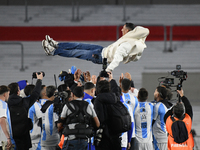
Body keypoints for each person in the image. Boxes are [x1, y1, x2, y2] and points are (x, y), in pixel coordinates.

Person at [42, 23, 149, 71]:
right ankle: (56, 44)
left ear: (128, 31)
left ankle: (53, 51)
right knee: (78, 45)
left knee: (75, 52)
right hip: (101, 50)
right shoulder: (128, 38)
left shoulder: (128, 44)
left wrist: (108, 70)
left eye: (123, 28)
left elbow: (117, 59)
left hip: (100, 57)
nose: (121, 30)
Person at [8, 72, 43, 150]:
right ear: (18, 92)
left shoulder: (5, 104)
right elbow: (35, 93)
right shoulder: (24, 102)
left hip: (10, 137)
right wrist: (39, 80)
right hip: (24, 138)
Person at [94, 72, 122, 150]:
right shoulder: (115, 98)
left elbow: (100, 119)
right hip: (116, 136)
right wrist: (111, 79)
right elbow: (116, 90)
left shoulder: (98, 100)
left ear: (98, 90)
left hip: (104, 137)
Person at [120, 78, 138, 150]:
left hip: (121, 131)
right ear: (130, 88)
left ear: (121, 86)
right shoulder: (135, 99)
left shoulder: (119, 98)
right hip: (131, 131)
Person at [152, 86, 173, 150]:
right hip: (166, 136)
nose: (154, 93)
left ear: (158, 94)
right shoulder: (171, 106)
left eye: (155, 91)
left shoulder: (158, 106)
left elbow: (152, 121)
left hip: (159, 138)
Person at [40, 85, 60, 150]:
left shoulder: (42, 106)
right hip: (53, 139)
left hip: (43, 138)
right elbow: (58, 124)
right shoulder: (53, 107)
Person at [25, 85, 43, 150]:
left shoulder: (23, 102)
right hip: (36, 137)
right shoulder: (35, 104)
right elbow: (41, 118)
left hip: (27, 135)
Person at [0, 85, 15, 150]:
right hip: (1, 140)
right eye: (8, 94)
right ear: (5, 94)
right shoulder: (3, 104)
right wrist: (8, 137)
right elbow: (2, 120)